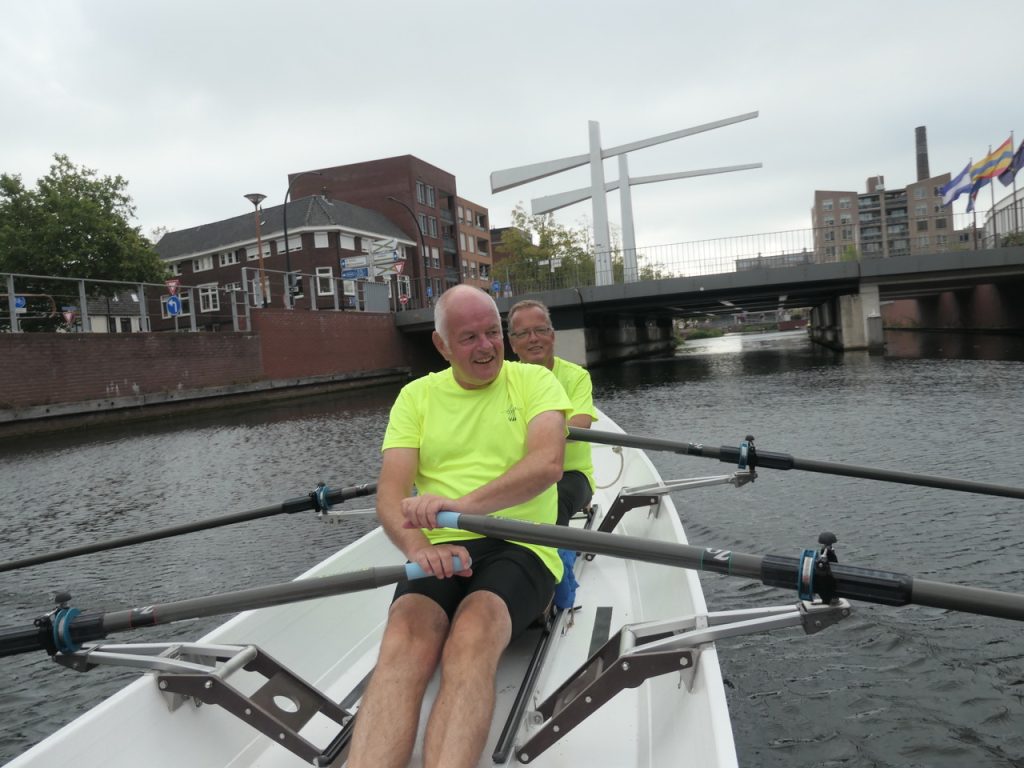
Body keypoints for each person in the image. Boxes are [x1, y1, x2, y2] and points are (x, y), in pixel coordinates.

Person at [348, 285, 571, 768]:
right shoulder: (416, 397)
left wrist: (461, 505)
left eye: (492, 332)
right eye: (469, 338)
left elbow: (547, 464)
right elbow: (390, 494)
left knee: (473, 632)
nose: (486, 346)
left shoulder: (534, 381)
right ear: (442, 345)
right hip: (440, 548)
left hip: (522, 544)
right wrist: (416, 548)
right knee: (404, 639)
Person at [507, 299, 597, 525]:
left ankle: (555, 549)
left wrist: (526, 435)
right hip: (518, 472)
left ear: (552, 336)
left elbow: (581, 424)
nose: (533, 338)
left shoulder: (576, 376)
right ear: (512, 343)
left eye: (540, 330)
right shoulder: (501, 381)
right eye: (524, 333)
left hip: (570, 473)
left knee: (553, 502)